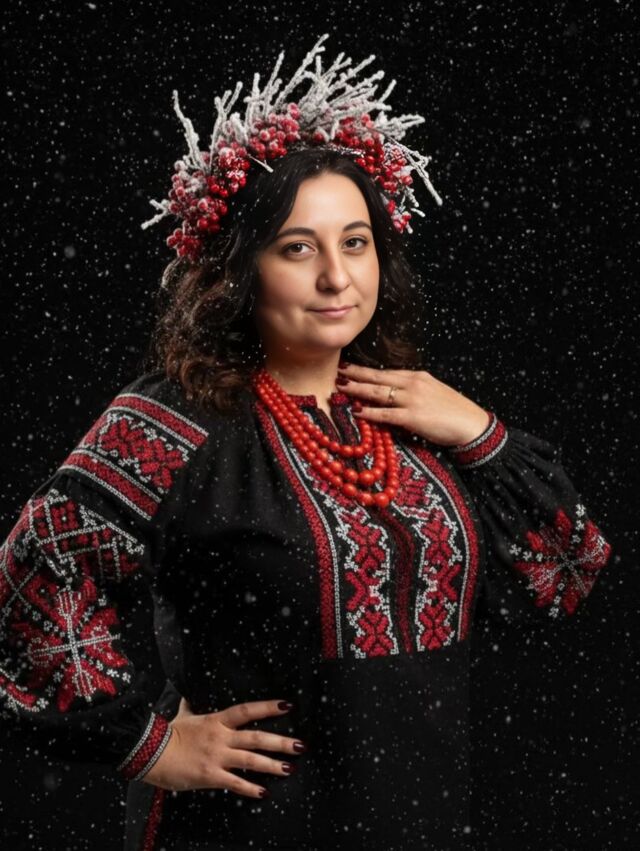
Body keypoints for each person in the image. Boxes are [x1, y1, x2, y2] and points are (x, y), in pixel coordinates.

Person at [0, 35, 612, 851]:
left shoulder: (413, 412)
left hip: (421, 820)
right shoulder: (176, 418)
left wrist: (481, 433)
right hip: (247, 830)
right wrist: (151, 745)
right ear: (239, 267)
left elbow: (567, 572)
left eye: (355, 242)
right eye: (298, 248)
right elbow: (29, 585)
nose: (336, 277)